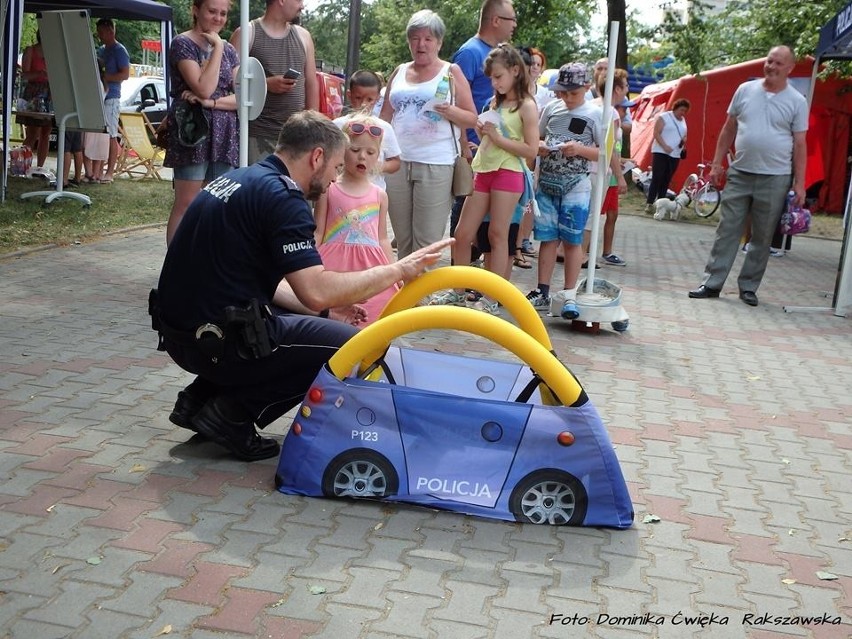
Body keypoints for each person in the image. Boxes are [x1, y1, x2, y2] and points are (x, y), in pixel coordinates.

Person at [152, 111, 451, 462]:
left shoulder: (242, 178)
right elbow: (316, 289)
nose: (333, 179)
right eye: (336, 167)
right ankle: (232, 415)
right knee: (347, 347)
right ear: (317, 157)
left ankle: (199, 399)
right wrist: (398, 269)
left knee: (304, 323)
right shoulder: (284, 197)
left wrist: (326, 312)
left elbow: (277, 285)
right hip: (212, 341)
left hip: (182, 333)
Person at [689, 45, 807, 307]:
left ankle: (749, 286)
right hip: (740, 172)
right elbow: (728, 128)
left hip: (775, 177)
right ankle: (712, 282)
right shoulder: (745, 90)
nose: (772, 67)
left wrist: (800, 183)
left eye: (778, 63)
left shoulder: (797, 101)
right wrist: (717, 163)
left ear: (790, 69)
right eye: (769, 61)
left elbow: (800, 144)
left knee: (763, 235)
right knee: (727, 229)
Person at [436, 43, 537, 303]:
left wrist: (496, 137)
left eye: (498, 77)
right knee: (462, 233)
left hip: (509, 172)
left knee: (497, 233)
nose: (494, 83)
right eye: (491, 78)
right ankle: (457, 291)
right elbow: (489, 138)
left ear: (516, 71)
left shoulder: (526, 105)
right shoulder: (493, 102)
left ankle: (493, 298)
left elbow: (531, 150)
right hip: (484, 168)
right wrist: (483, 134)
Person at [379, 9, 477, 259]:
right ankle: (405, 296)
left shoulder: (451, 72)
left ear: (439, 42)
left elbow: (472, 118)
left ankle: (423, 297)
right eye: (415, 38)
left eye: (428, 38)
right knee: (403, 240)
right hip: (398, 163)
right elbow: (384, 120)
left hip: (436, 163)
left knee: (426, 244)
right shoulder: (399, 71)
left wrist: (450, 110)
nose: (420, 44)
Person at [524, 63, 601, 320]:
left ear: (587, 88)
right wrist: (542, 147)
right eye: (563, 92)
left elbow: (604, 151)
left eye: (573, 93)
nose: (567, 98)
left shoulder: (596, 114)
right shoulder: (551, 108)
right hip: (547, 181)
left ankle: (569, 293)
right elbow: (537, 138)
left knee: (572, 239)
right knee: (547, 237)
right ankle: (542, 290)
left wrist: (579, 150)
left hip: (576, 184)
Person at [164, 0, 240, 245]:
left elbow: (244, 97)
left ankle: (206, 265)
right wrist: (217, 46)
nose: (218, 18)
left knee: (217, 203)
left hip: (224, 131)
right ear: (196, 10)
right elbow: (205, 88)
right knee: (187, 203)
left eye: (223, 14)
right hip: (193, 130)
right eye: (212, 11)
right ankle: (177, 267)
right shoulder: (182, 44)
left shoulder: (231, 50)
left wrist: (212, 104)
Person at [449, 0, 517, 260]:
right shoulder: (470, 52)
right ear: (496, 20)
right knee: (463, 226)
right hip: (476, 153)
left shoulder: (501, 54)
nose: (515, 26)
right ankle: (459, 282)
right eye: (512, 20)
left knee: (493, 231)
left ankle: (477, 283)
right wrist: (464, 144)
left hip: (499, 157)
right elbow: (455, 99)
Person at [314, 117, 397, 325]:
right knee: (334, 316)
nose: (362, 157)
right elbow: (317, 231)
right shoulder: (329, 189)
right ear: (342, 151)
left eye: (370, 153)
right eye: (355, 150)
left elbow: (383, 238)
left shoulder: (380, 195)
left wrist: (393, 272)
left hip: (369, 266)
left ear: (378, 156)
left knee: (372, 314)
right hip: (333, 265)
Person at [230, 0, 319, 164]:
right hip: (256, 136)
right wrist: (266, 85)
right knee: (259, 188)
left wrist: (314, 127)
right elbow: (230, 83)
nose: (302, 6)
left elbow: (311, 84)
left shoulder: (303, 36)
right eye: (299, 0)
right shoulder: (247, 33)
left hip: (296, 137)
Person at [583, 68, 630, 267]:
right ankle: (582, 254)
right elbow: (610, 147)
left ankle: (574, 251)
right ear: (617, 89)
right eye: (626, 86)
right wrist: (619, 177)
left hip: (582, 166)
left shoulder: (590, 105)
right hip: (599, 169)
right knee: (592, 214)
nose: (627, 90)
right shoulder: (611, 112)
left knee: (581, 211)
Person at [333, 70, 401, 191]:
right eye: (358, 98)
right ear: (349, 95)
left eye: (370, 99)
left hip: (373, 194)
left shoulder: (384, 127)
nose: (364, 104)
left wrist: (376, 166)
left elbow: (395, 162)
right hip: (341, 190)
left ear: (377, 99)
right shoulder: (337, 125)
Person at [95, 18, 130, 184]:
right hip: (99, 95)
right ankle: (97, 170)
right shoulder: (101, 50)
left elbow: (125, 74)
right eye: (98, 32)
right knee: (99, 134)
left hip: (112, 97)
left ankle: (110, 172)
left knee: (110, 134)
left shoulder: (119, 50)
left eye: (102, 32)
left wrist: (105, 77)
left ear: (111, 31)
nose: (99, 36)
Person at [645, 98, 690, 214]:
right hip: (660, 151)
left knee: (666, 178)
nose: (683, 113)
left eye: (685, 111)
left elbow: (685, 135)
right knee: (657, 177)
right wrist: (664, 146)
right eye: (681, 110)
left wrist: (683, 141)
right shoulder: (664, 117)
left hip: (675, 154)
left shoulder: (683, 121)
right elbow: (656, 133)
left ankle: (661, 203)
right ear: (675, 108)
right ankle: (650, 203)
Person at [19, 31, 52, 170]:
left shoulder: (53, 53)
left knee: (46, 132)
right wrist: (39, 74)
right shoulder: (30, 50)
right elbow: (24, 75)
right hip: (33, 94)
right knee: (33, 132)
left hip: (49, 93)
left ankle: (40, 167)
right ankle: (22, 165)